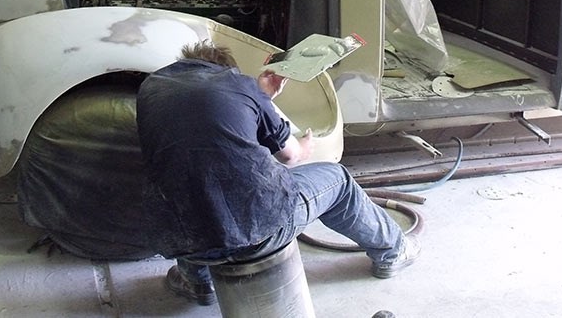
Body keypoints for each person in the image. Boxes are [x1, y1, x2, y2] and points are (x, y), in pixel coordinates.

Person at [136, 40, 420, 306]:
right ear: (225, 68)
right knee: (338, 180)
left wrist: (259, 97)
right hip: (258, 230)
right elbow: (290, 156)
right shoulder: (239, 84)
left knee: (187, 180)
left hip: (175, 238)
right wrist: (297, 134)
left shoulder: (151, 89)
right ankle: (393, 251)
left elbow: (206, 144)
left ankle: (197, 281)